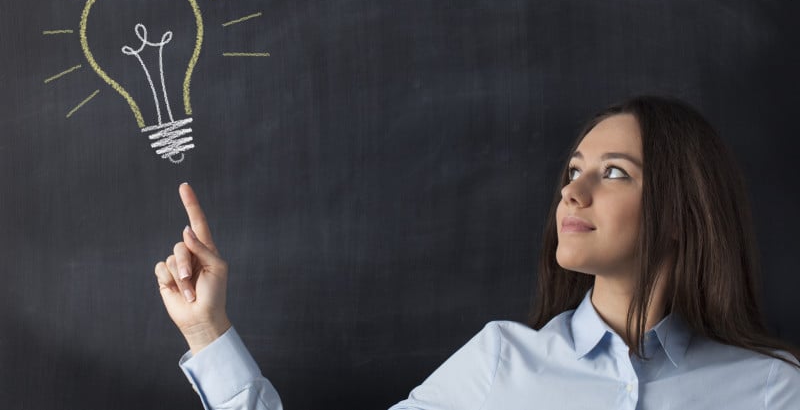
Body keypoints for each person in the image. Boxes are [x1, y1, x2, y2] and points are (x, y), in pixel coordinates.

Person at [155, 96, 800, 410]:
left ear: (685, 213)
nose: (571, 192)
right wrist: (208, 331)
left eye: (613, 173)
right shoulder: (499, 363)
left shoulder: (772, 390)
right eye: (572, 171)